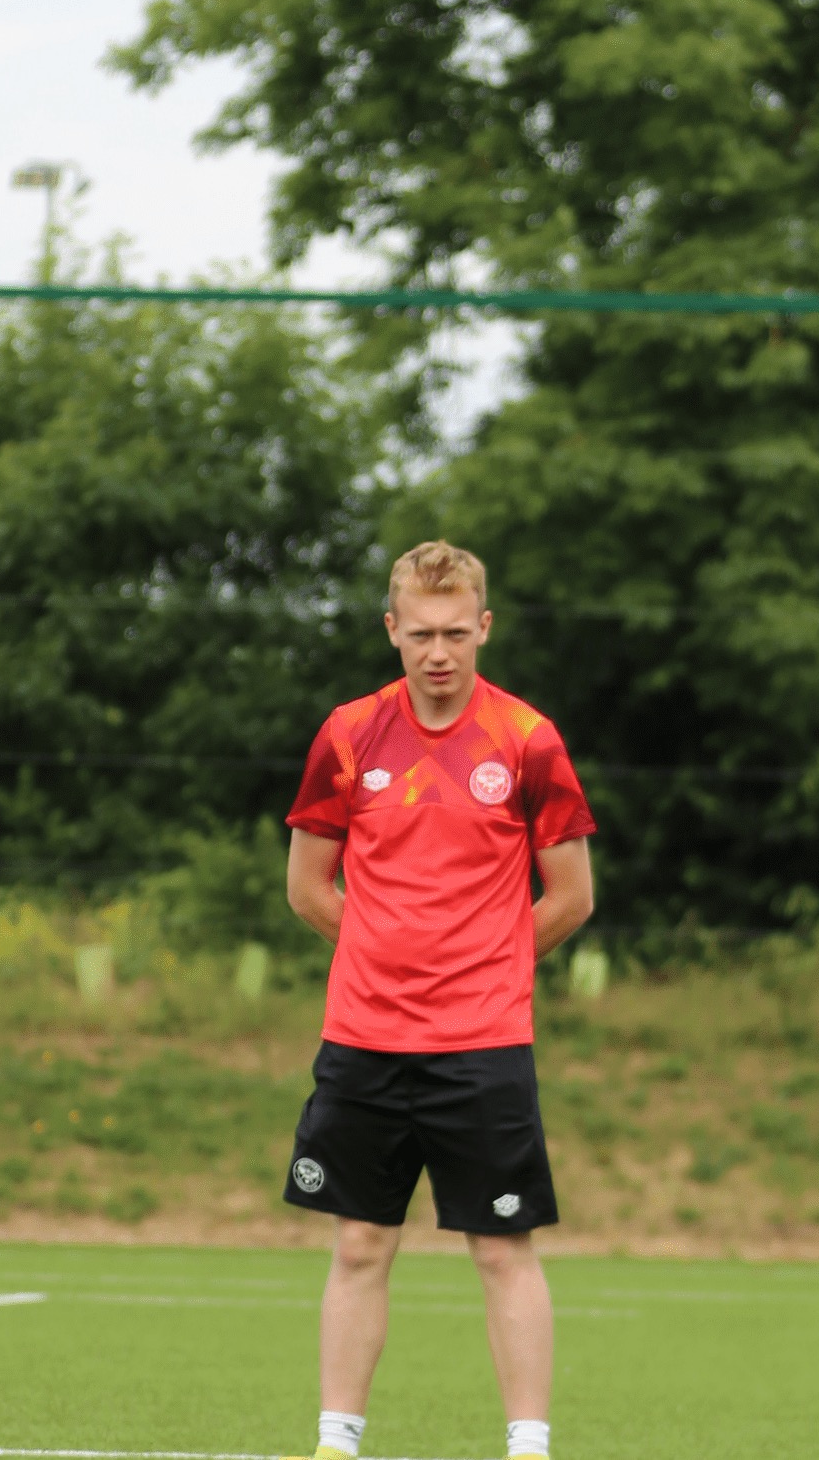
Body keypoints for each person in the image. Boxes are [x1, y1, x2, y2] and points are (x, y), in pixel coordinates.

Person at [277, 541, 596, 1460]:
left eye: (457, 632)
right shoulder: (347, 734)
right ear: (392, 631)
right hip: (364, 1040)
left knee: (502, 1250)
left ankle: (528, 1447)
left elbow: (571, 897)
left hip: (482, 1045)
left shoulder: (528, 740)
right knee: (360, 1247)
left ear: (484, 626)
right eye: (420, 634)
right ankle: (337, 1444)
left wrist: (482, 965)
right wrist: (389, 956)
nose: (439, 652)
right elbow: (308, 887)